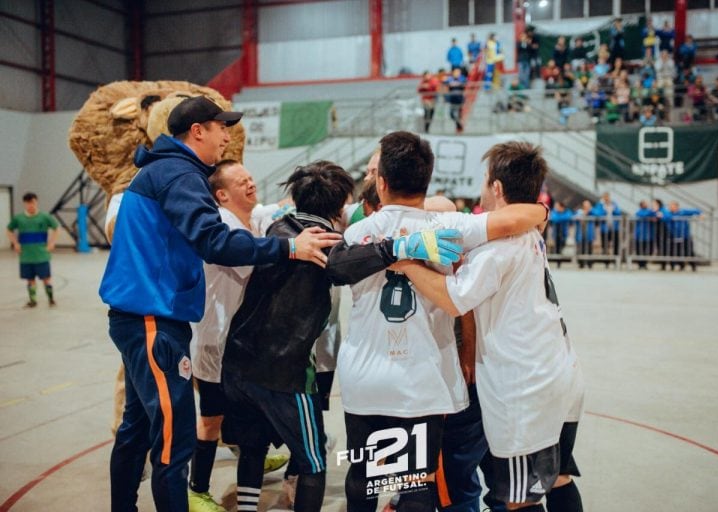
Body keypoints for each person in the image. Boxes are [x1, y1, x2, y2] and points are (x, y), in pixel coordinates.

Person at [100, 95, 342, 512]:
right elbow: (213, 241)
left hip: (139, 318)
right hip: (154, 321)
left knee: (136, 431)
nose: (226, 136)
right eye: (221, 127)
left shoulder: (162, 170)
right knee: (175, 443)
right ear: (198, 131)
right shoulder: (180, 173)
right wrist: (288, 249)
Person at [221, 160, 463, 512]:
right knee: (315, 462)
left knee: (253, 443)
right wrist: (397, 249)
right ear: (342, 205)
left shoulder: (275, 226)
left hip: (238, 361)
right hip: (286, 369)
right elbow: (342, 264)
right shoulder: (330, 244)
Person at [339, 131, 548, 512]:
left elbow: (336, 266)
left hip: (364, 378)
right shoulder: (450, 225)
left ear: (381, 183)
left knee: (364, 479)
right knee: (416, 486)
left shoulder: (357, 233)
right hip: (420, 379)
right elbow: (513, 219)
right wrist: (542, 211)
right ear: (426, 181)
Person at [391, 141, 585, 512]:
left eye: (484, 179)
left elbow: (453, 298)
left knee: (517, 498)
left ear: (496, 188)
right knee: (558, 477)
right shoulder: (530, 233)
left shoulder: (496, 247)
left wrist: (406, 264)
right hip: (561, 372)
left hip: (524, 387)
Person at [186, 160, 287, 512]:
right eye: (240, 181)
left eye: (250, 177)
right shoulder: (224, 228)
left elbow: (273, 209)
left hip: (246, 342)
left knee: (247, 412)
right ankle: (197, 489)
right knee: (212, 417)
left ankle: (252, 456)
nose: (250, 184)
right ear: (221, 195)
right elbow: (259, 265)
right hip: (216, 341)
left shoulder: (253, 218)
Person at [6, 192, 59, 308]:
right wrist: (15, 243)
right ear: (24, 204)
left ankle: (51, 299)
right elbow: (9, 230)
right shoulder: (18, 218)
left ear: (36, 202)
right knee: (30, 280)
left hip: (42, 254)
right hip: (26, 255)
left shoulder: (45, 217)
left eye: (33, 203)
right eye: (28, 203)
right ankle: (33, 301)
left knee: (46, 279)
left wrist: (52, 243)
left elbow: (56, 228)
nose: (31, 205)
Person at [663, 201, 702, 271]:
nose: (670, 207)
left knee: (689, 251)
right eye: (670, 206)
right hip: (674, 236)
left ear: (677, 206)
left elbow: (696, 210)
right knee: (676, 251)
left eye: (672, 206)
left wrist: (700, 214)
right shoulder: (667, 213)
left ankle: (693, 265)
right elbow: (665, 217)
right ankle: (681, 265)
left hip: (685, 235)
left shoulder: (683, 212)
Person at [591, 192, 621, 261]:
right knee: (605, 245)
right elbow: (597, 213)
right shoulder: (600, 205)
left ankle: (615, 260)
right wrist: (605, 210)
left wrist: (612, 209)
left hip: (614, 228)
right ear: (603, 198)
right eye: (605, 197)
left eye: (607, 197)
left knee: (616, 244)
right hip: (604, 229)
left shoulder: (614, 204)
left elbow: (618, 213)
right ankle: (606, 261)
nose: (607, 199)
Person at [634, 200, 656, 269]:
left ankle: (645, 263)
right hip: (639, 236)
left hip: (649, 236)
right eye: (645, 204)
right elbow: (642, 215)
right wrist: (653, 211)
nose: (646, 204)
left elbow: (658, 215)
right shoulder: (639, 212)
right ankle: (640, 264)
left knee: (649, 250)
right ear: (641, 205)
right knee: (639, 250)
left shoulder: (650, 211)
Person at [444, 68, 467, 133]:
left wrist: (454, 84)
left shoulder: (462, 78)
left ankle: (459, 129)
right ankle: (459, 125)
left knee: (459, 115)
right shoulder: (450, 78)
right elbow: (445, 82)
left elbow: (463, 83)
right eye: (455, 72)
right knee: (451, 114)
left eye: (458, 72)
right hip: (452, 99)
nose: (456, 74)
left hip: (460, 99)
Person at [574, 200, 595, 269]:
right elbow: (575, 217)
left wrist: (589, 211)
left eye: (588, 206)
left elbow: (597, 214)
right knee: (581, 248)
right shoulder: (579, 212)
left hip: (589, 234)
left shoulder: (592, 212)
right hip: (581, 233)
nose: (587, 207)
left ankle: (590, 263)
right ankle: (581, 263)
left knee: (589, 248)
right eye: (585, 206)